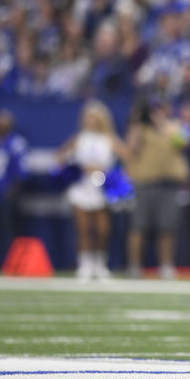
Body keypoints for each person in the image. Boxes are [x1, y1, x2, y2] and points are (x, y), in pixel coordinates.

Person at [57, 100, 128, 280]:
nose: (91, 122)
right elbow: (60, 156)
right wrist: (75, 167)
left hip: (102, 187)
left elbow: (127, 156)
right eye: (89, 119)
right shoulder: (79, 138)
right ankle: (85, 264)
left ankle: (100, 263)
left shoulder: (109, 139)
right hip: (82, 186)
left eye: (95, 119)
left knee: (102, 228)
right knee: (84, 228)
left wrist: (112, 173)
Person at [125, 100, 190, 280]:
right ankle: (134, 266)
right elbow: (131, 149)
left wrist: (162, 124)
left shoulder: (174, 126)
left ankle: (166, 265)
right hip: (145, 182)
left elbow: (184, 142)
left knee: (167, 227)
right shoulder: (140, 129)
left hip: (169, 183)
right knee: (139, 226)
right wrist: (137, 123)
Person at [0, 110, 28, 270]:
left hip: (6, 192)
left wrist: (14, 189)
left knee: (6, 229)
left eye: (5, 121)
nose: (1, 124)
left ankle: (7, 263)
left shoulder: (16, 143)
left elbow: (21, 171)